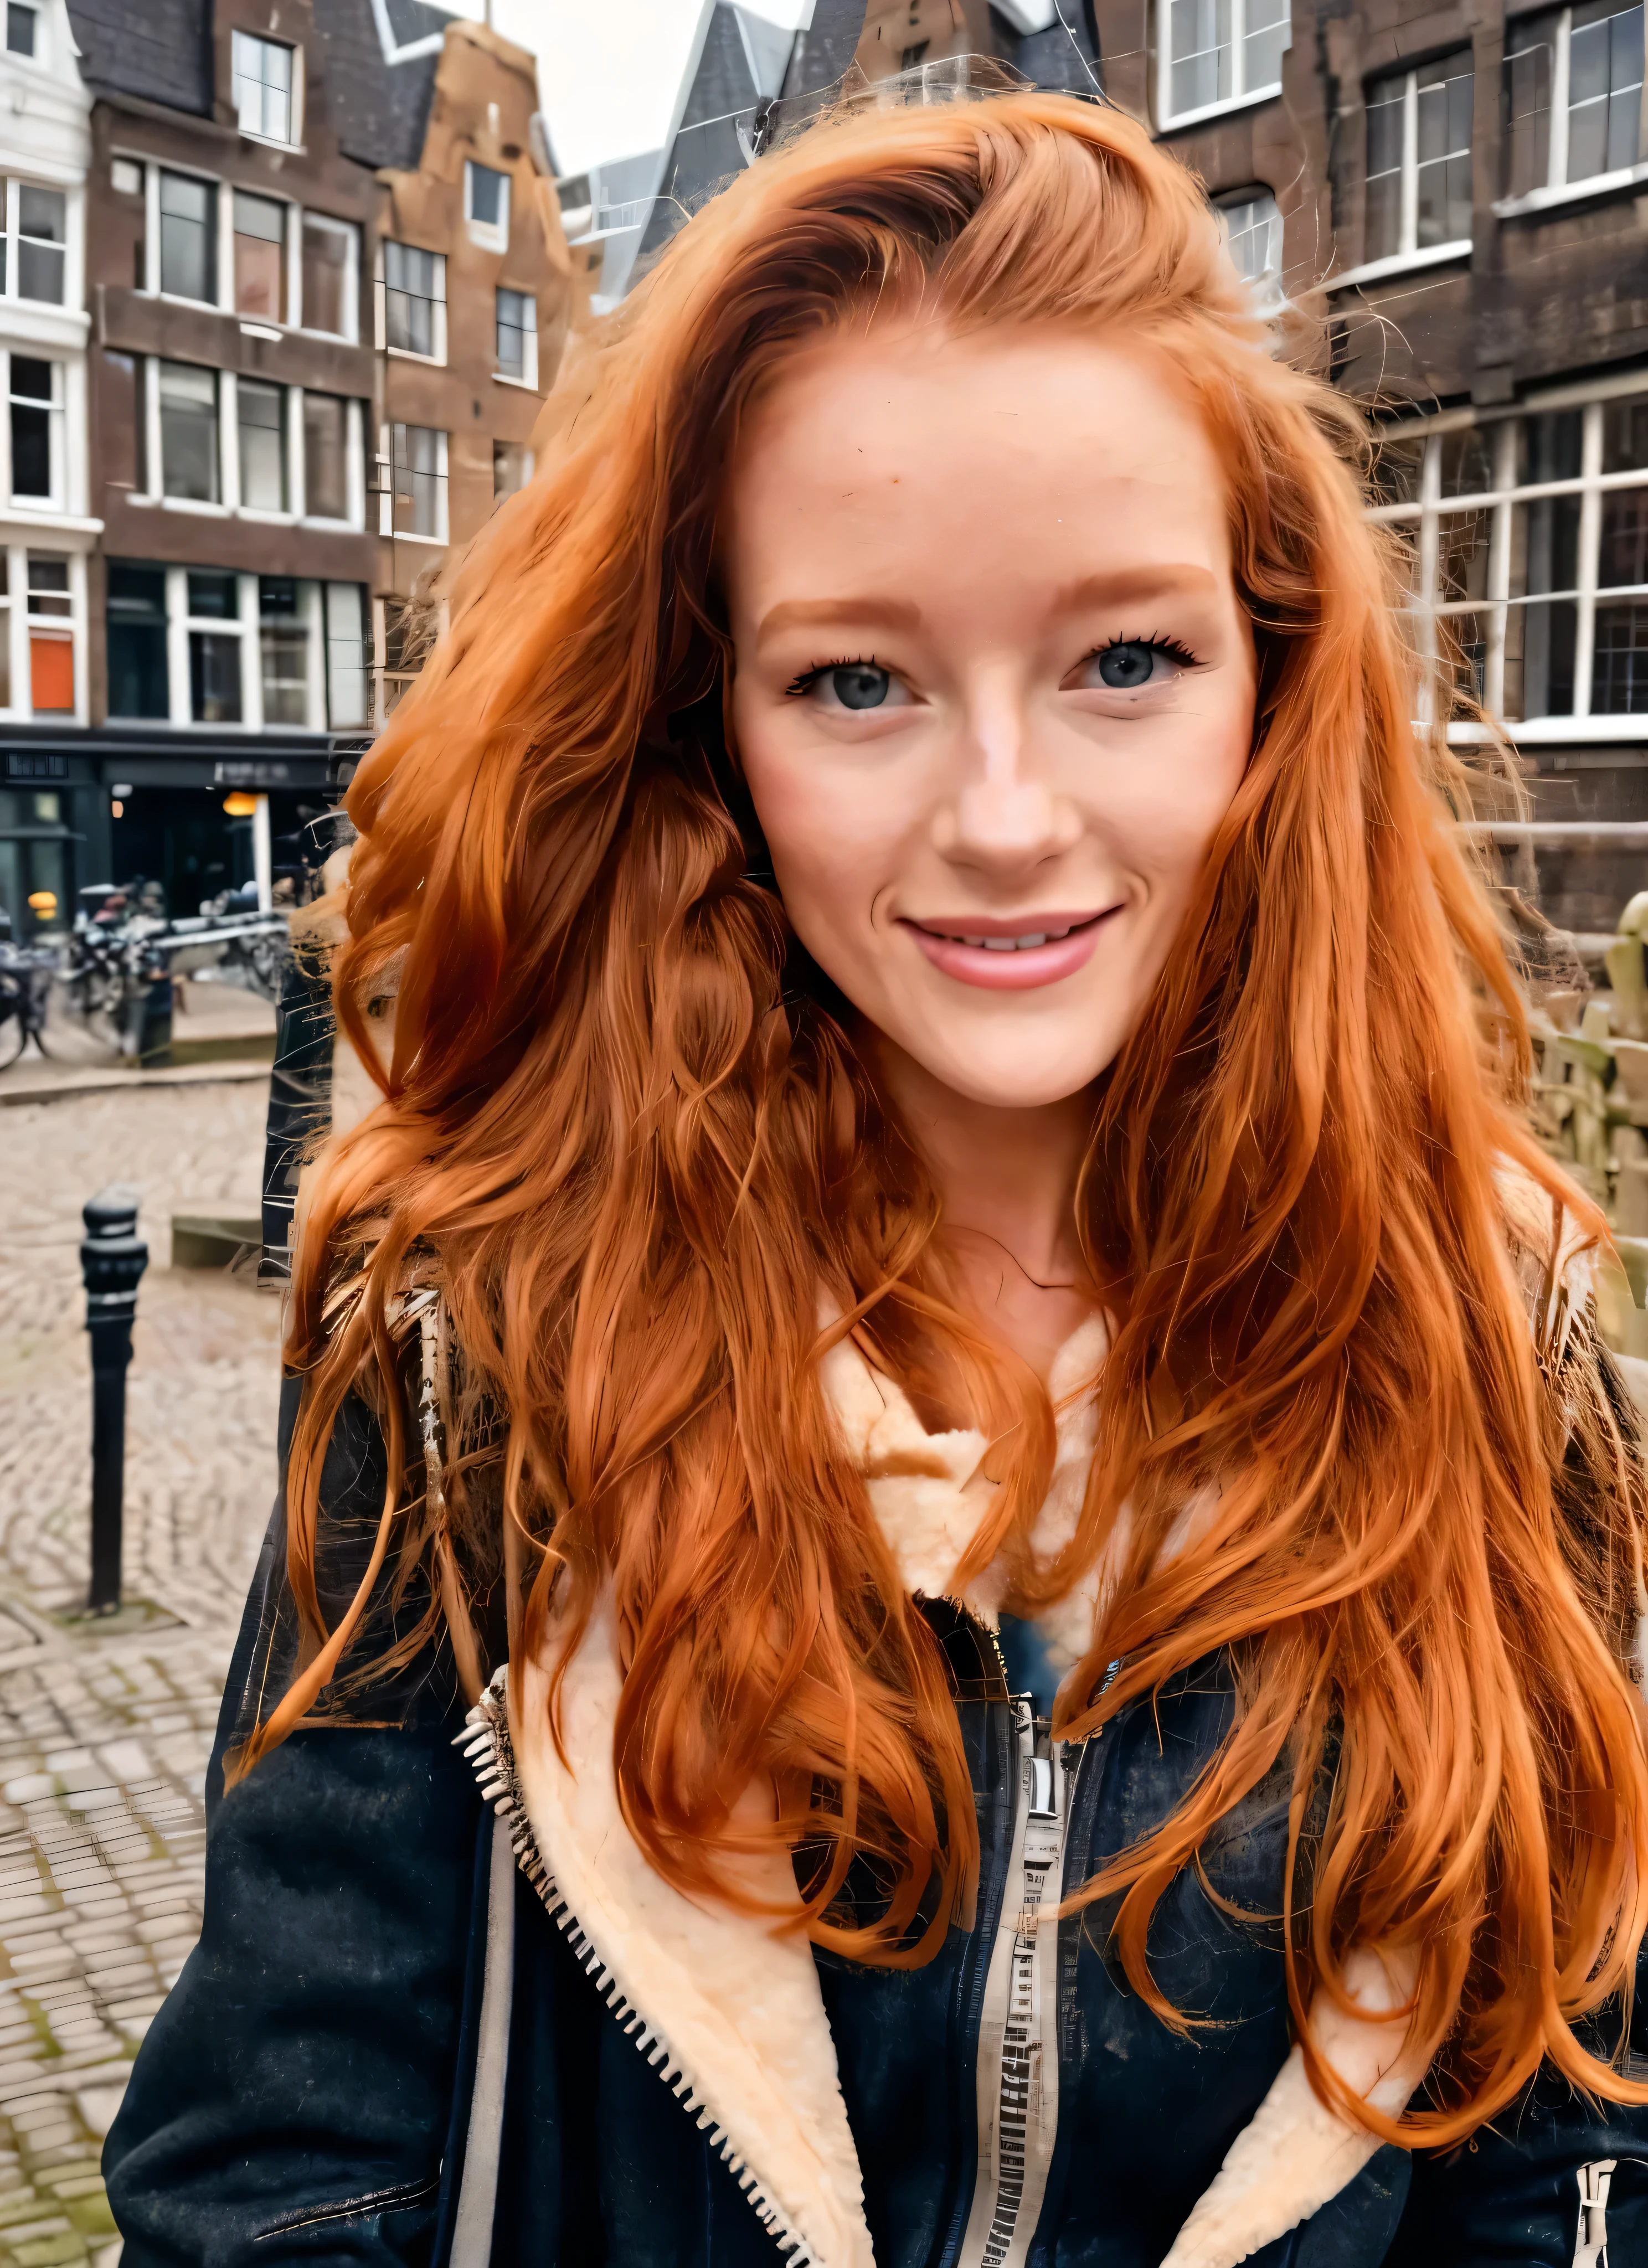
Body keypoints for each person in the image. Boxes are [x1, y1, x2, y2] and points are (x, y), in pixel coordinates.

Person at [104, 76, 1648, 2268]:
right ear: (704, 722)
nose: (1006, 813)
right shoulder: (480, 1342)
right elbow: (286, 2175)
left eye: (1126, 658)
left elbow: (1558, 2146)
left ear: (1270, 684)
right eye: (858, 680)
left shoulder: (1503, 1342)